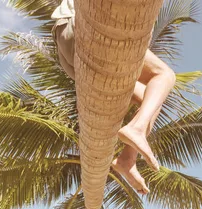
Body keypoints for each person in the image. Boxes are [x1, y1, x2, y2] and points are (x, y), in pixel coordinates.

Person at [51, 0, 176, 195]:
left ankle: (127, 159)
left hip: (66, 47)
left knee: (151, 98)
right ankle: (136, 129)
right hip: (82, 27)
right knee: (164, 75)